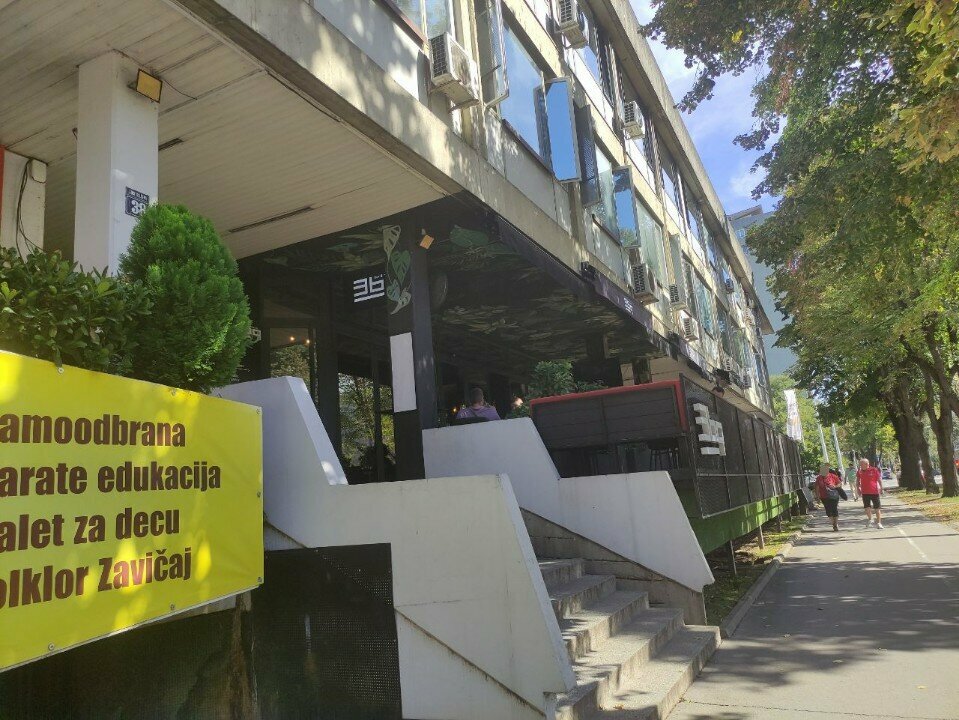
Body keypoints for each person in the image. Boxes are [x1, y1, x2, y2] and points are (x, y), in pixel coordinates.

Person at [856, 458, 884, 528]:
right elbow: (857, 481)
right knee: (867, 508)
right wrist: (858, 489)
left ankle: (879, 523)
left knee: (877, 508)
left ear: (866, 464)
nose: (860, 465)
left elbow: (879, 479)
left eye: (861, 464)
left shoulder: (874, 470)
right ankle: (870, 519)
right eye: (860, 464)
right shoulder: (859, 471)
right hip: (865, 492)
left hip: (874, 492)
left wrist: (881, 488)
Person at [815, 463, 842, 531]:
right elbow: (817, 488)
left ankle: (836, 524)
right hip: (824, 497)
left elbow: (839, 483)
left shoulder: (833, 476)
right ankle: (833, 523)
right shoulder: (819, 478)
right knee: (828, 511)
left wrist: (835, 486)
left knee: (834, 509)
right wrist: (818, 497)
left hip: (834, 496)